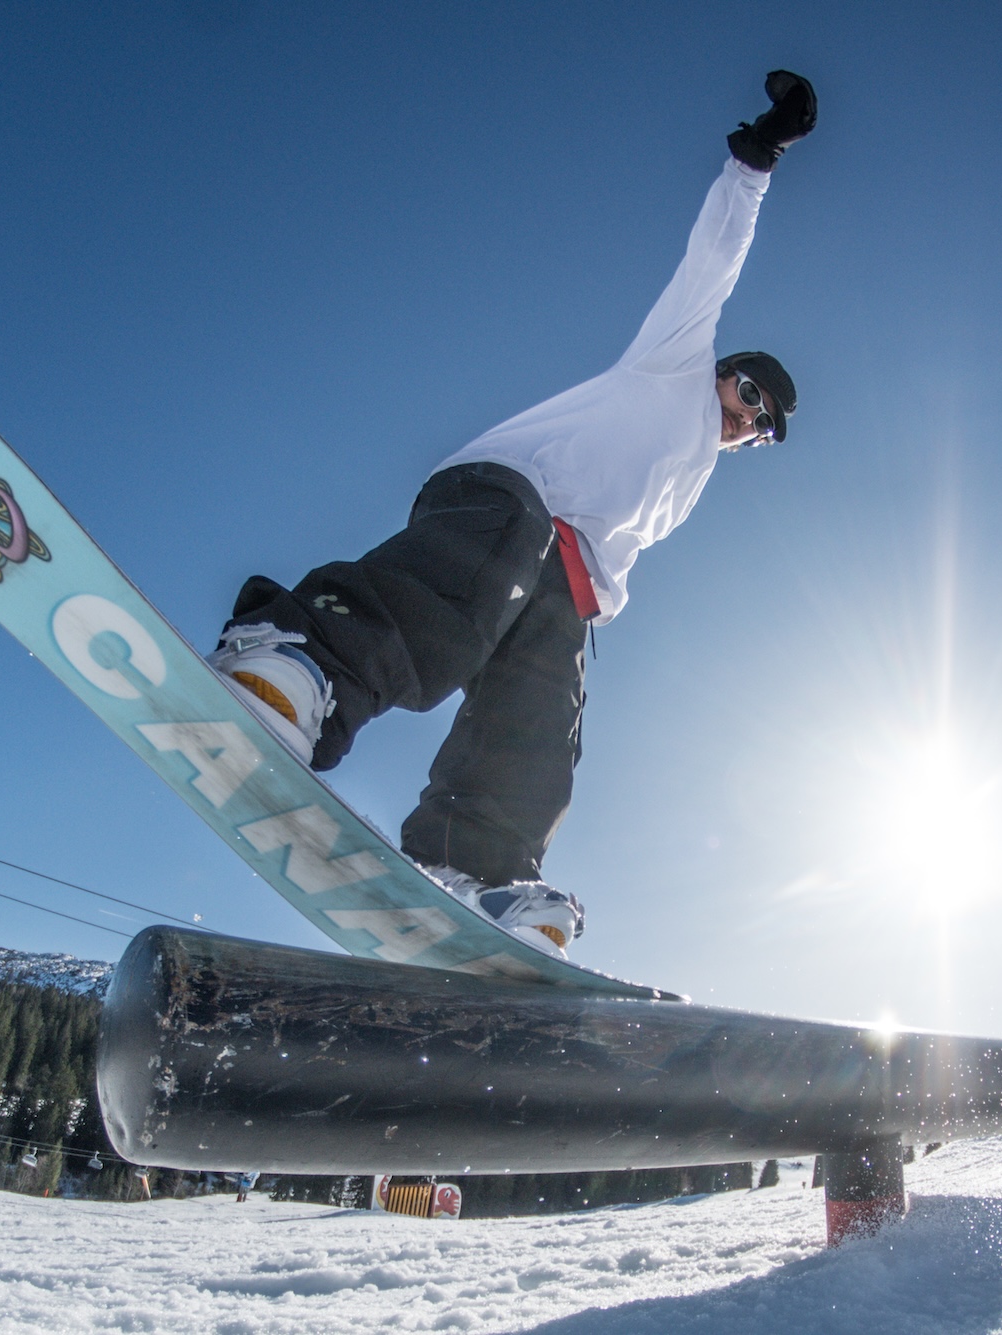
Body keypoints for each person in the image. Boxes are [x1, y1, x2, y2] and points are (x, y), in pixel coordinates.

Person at [210, 72, 817, 959]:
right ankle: (297, 663)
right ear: (724, 368)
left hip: (561, 575)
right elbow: (712, 260)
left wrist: (591, 609)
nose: (744, 417)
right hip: (499, 499)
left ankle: (470, 865)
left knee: (544, 711)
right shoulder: (675, 362)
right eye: (749, 391)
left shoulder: (691, 478)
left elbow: (614, 554)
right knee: (480, 580)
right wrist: (755, 163)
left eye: (761, 428)